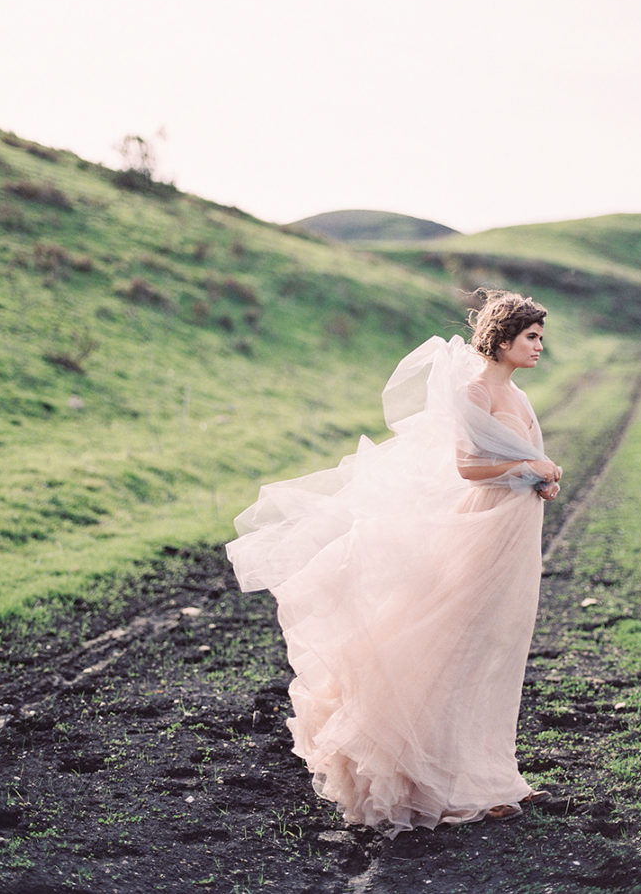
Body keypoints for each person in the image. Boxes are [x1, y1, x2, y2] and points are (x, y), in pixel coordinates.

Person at [226, 289, 562, 836]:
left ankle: (493, 775)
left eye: (541, 338)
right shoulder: (476, 391)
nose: (539, 347)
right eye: (531, 337)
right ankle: (444, 781)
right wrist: (532, 466)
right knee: (459, 644)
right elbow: (468, 467)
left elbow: (521, 464)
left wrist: (540, 479)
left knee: (499, 646)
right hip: (482, 526)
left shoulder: (519, 396)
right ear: (501, 341)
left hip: (515, 528)